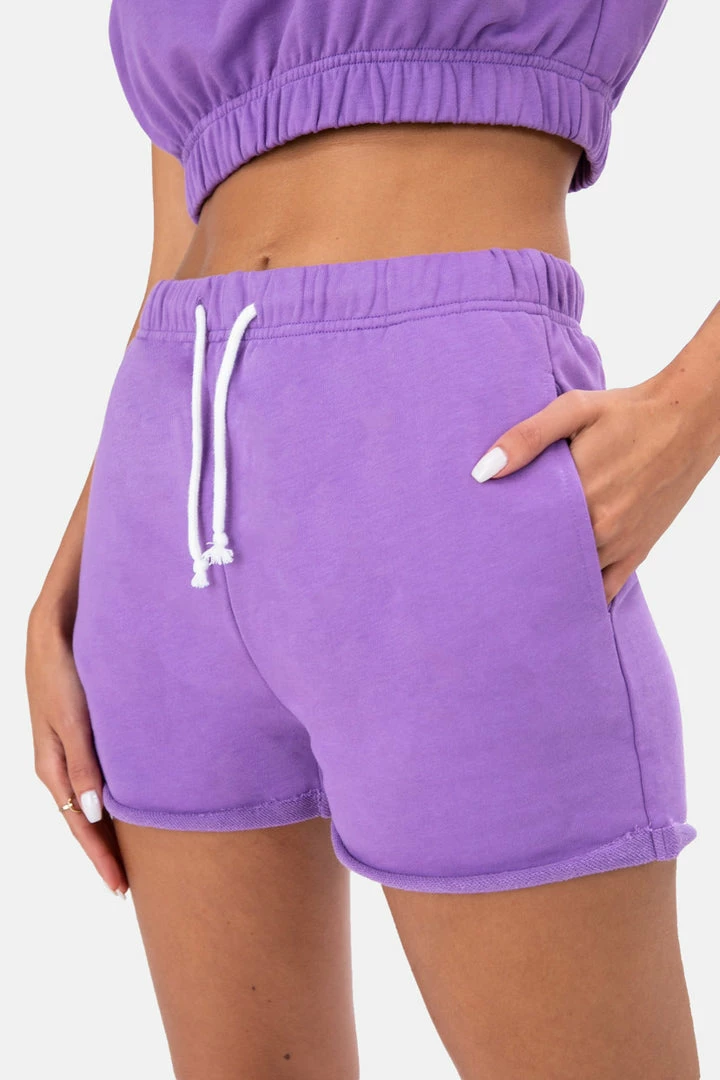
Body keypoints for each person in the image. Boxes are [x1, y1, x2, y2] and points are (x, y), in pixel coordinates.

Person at [25, 1, 710, 1076]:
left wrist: (687, 417)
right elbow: (177, 247)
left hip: (446, 470)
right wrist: (62, 590)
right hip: (159, 521)